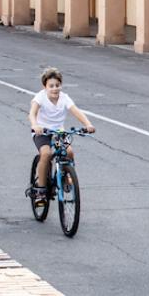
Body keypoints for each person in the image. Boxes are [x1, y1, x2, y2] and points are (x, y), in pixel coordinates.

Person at [28, 67, 95, 204]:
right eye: (51, 86)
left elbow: (76, 111)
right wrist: (35, 125)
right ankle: (41, 190)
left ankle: (65, 177)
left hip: (58, 133)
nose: (55, 89)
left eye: (57, 85)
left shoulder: (64, 98)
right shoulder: (40, 97)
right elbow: (32, 113)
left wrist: (88, 124)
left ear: (61, 85)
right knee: (46, 154)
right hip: (43, 132)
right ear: (44, 86)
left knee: (69, 152)